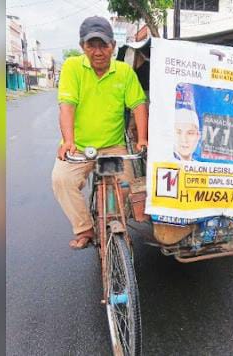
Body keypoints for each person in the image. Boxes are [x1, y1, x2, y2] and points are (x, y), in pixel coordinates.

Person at [52, 16, 148, 249]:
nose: (97, 51)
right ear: (82, 46)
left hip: (112, 149)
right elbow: (67, 106)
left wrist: (143, 139)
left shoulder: (124, 72)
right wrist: (68, 141)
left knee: (126, 186)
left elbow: (138, 105)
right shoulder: (73, 67)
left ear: (113, 46)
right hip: (80, 147)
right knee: (61, 180)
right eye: (91, 45)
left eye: (103, 45)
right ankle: (85, 228)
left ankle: (112, 218)